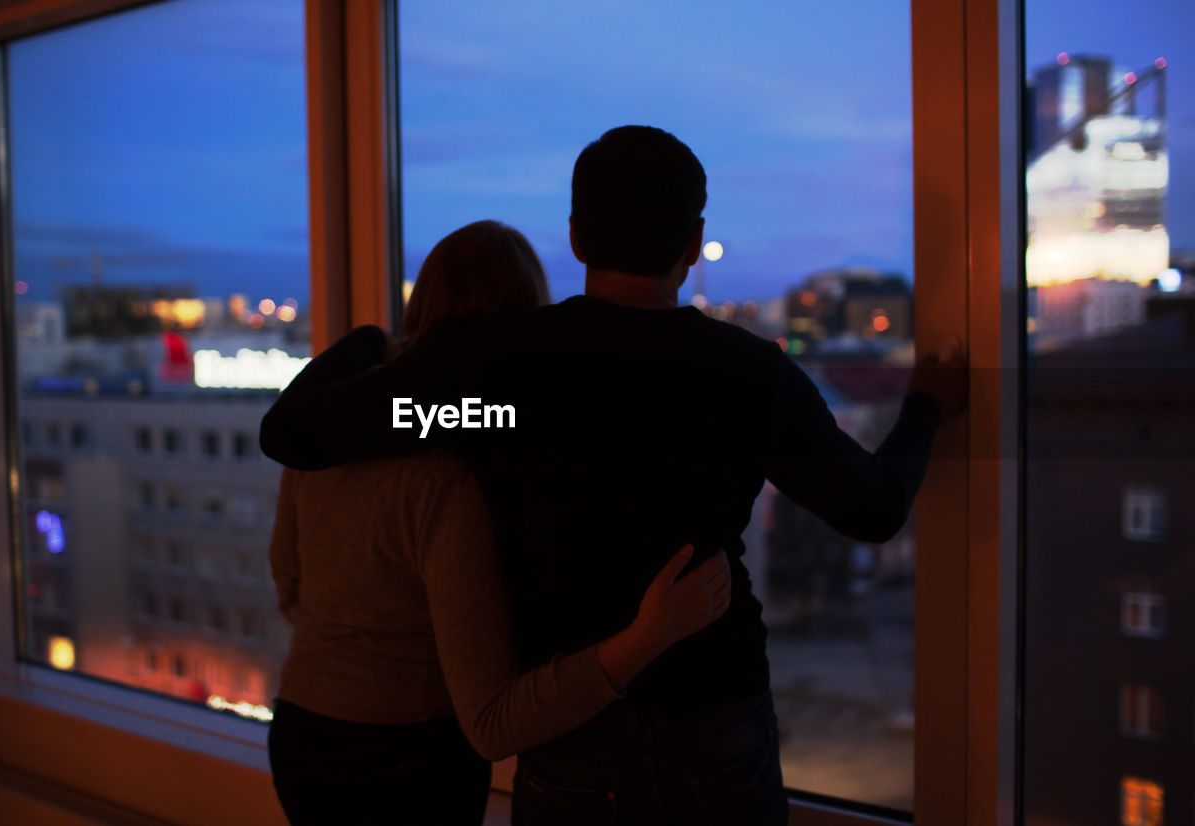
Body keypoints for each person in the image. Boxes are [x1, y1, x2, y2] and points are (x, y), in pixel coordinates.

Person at [262, 127, 968, 825]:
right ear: (692, 246)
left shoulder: (495, 375)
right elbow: (873, 508)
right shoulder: (747, 375)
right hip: (714, 711)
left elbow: (294, 432)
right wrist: (926, 408)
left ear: (574, 237)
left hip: (573, 731)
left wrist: (365, 342)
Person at [266, 219, 733, 826]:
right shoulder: (448, 473)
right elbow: (493, 723)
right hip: (405, 760)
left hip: (301, 732)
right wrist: (648, 635)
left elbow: (288, 581)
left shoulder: (325, 429)